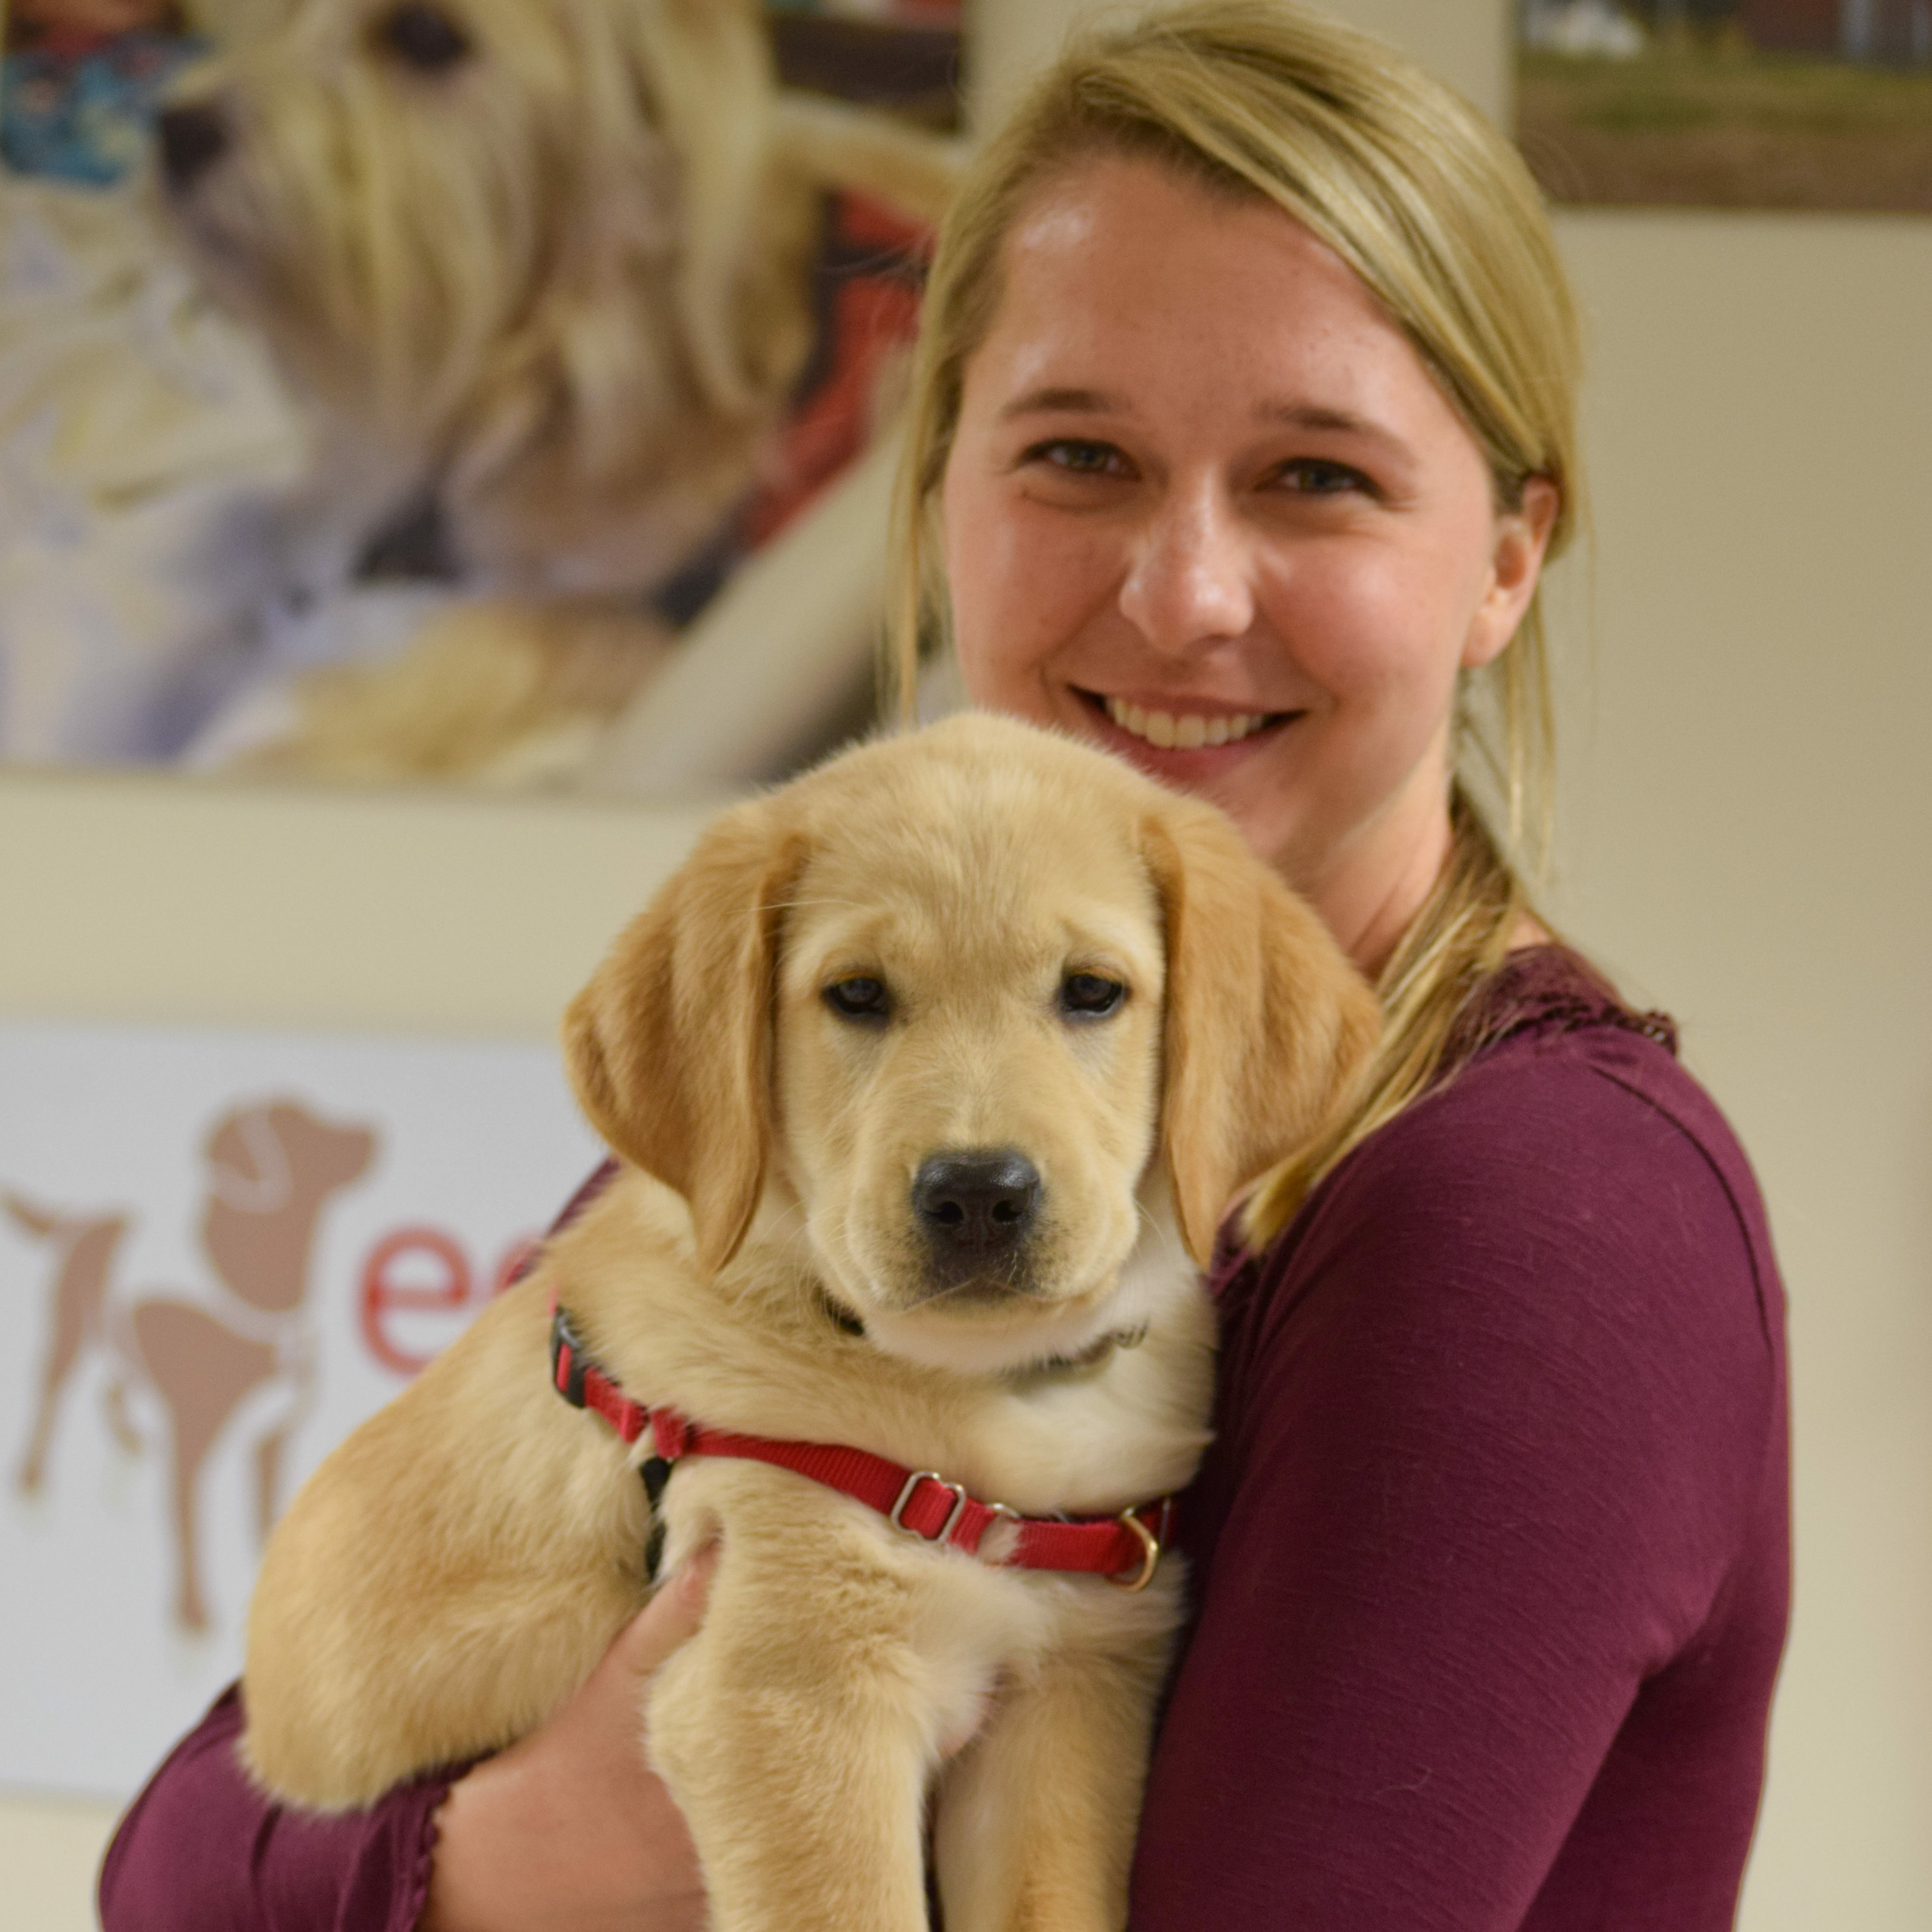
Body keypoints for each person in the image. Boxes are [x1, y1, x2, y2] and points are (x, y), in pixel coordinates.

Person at [97, 6, 1789, 1928]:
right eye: (1078, 454)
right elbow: (171, 1863)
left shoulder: (1528, 1215)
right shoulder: (824, 1091)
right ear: (936, 494)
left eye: (1317, 478)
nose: (1182, 595)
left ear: (1502, 558)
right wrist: (518, 1854)